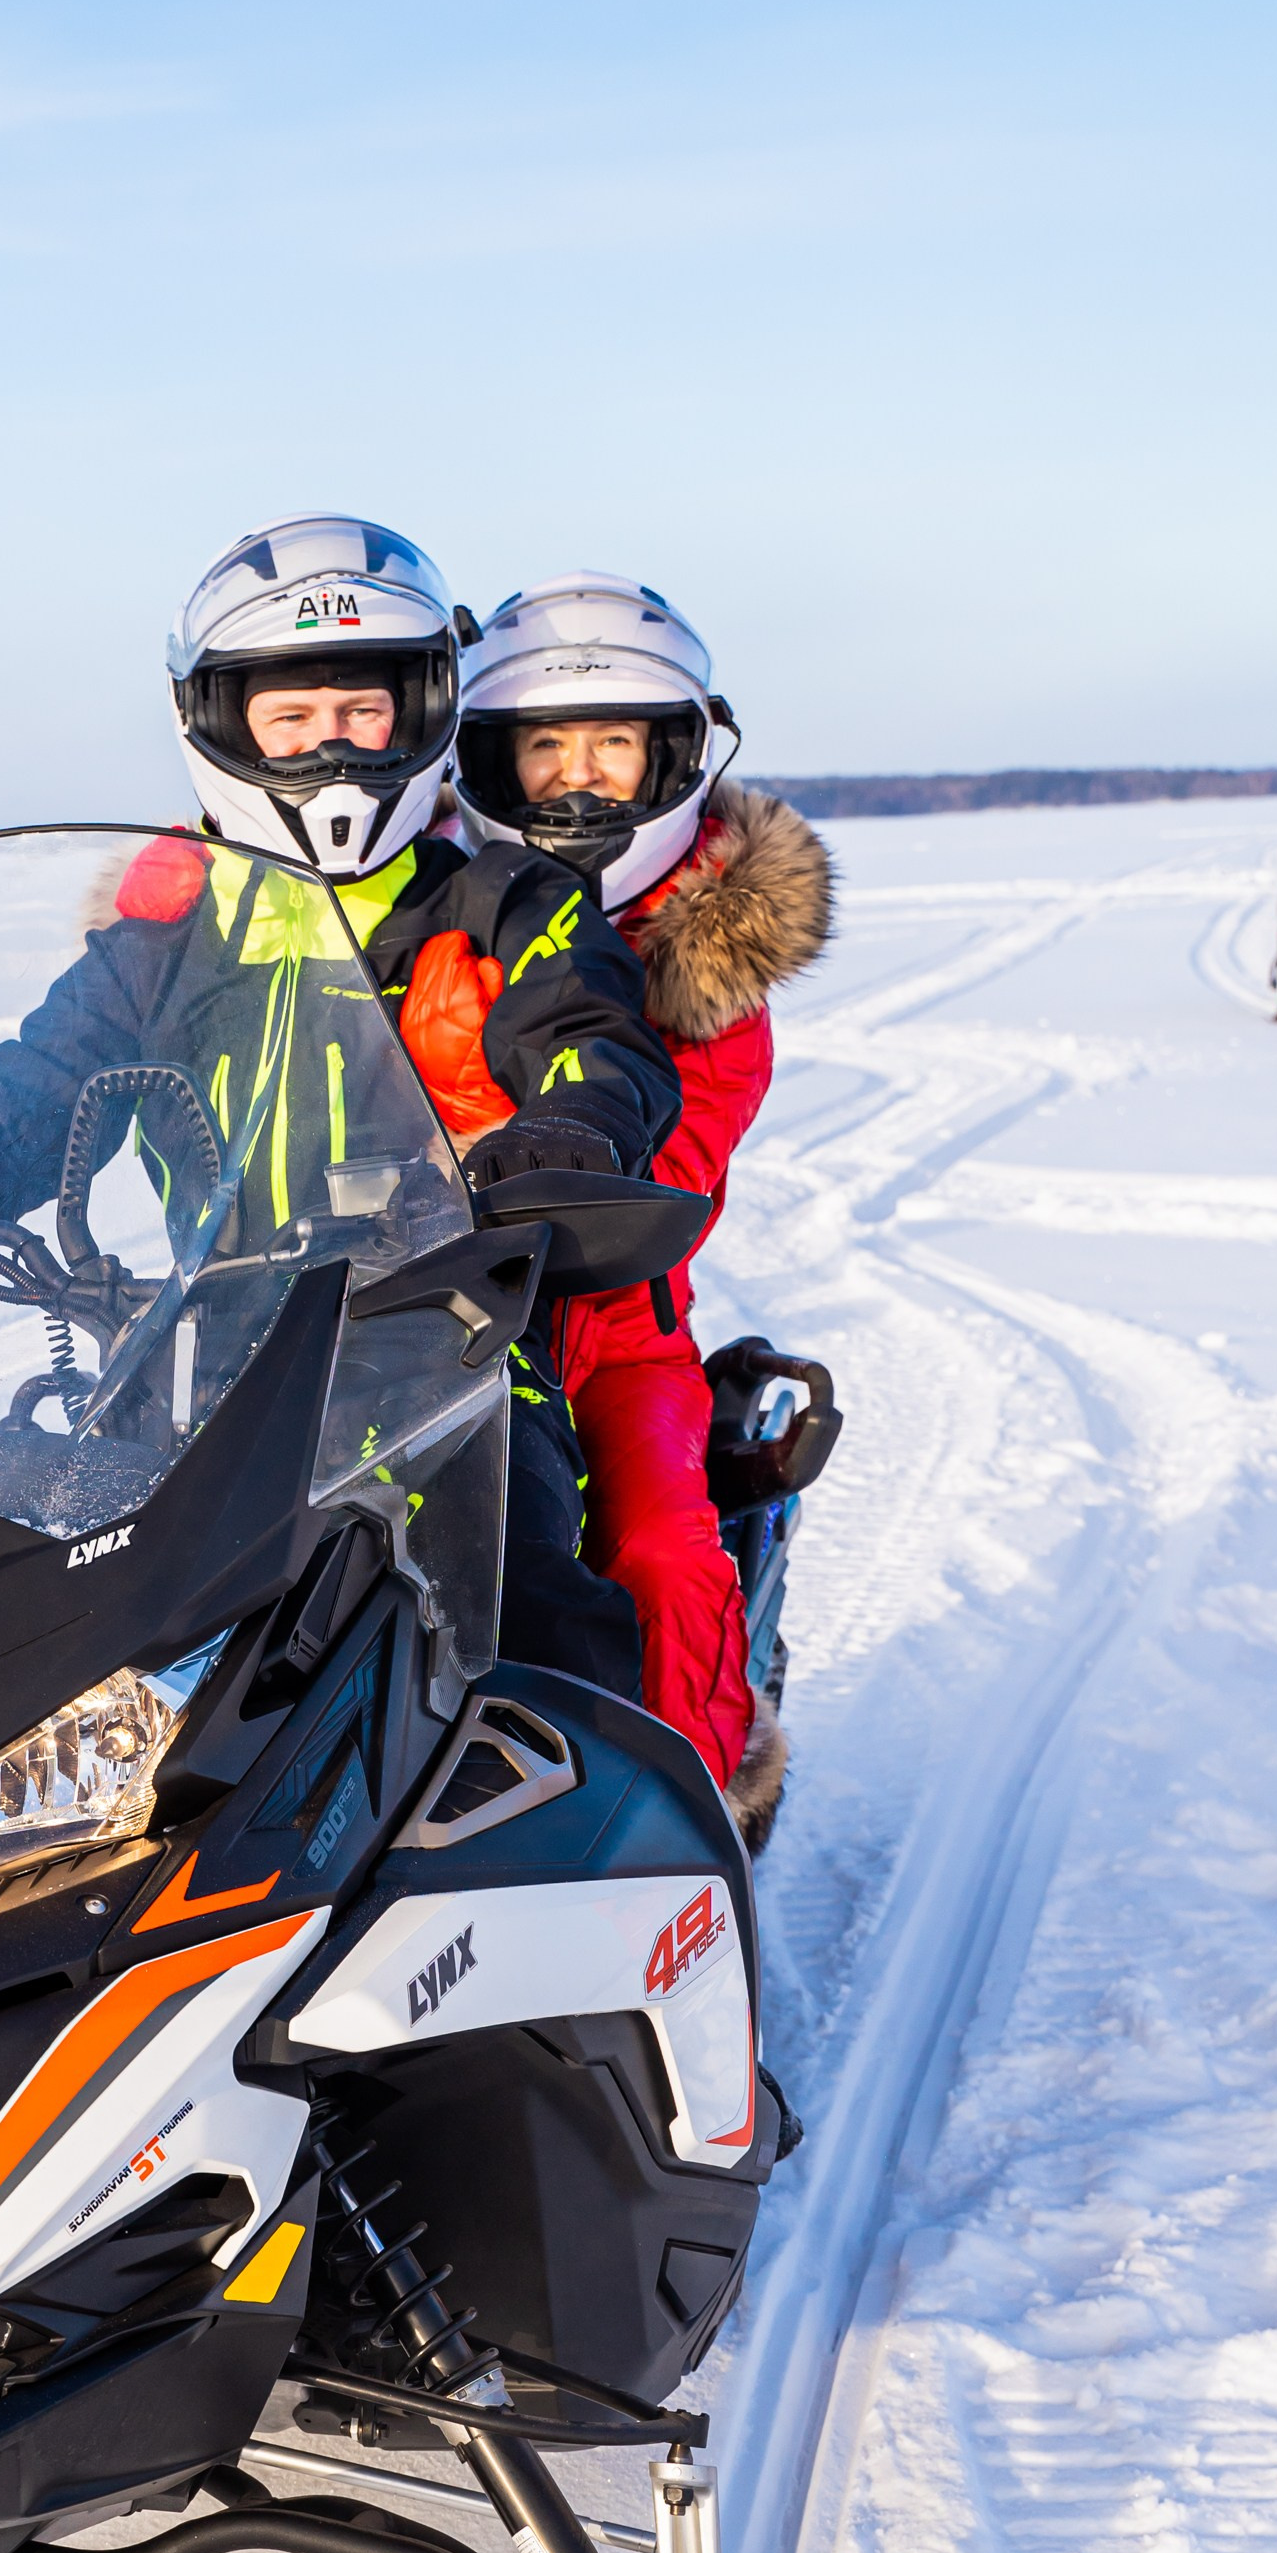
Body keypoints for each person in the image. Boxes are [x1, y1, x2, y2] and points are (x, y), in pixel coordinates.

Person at [0, 517, 683, 1697]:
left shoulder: (507, 902)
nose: (328, 743)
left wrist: (559, 1139)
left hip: (451, 1336)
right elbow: (37, 1081)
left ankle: (580, 1804)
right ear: (221, 722)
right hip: (202, 1344)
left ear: (418, 710)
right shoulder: (166, 938)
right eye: (290, 716)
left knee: (520, 1595)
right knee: (36, 1602)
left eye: (360, 711)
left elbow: (596, 1041)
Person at [422, 573, 832, 1845]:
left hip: (610, 1330)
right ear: (487, 760)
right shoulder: (427, 907)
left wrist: (526, 1156)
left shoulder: (709, 975)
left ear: (673, 758)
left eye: (612, 743)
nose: (579, 778)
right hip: (405, 1315)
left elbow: (671, 1169)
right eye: (545, 746)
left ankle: (684, 1841)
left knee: (654, 1551)